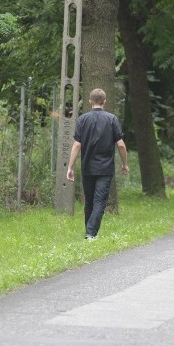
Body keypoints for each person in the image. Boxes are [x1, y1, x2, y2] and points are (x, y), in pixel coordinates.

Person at [66, 88, 129, 239]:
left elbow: (76, 145)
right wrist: (124, 164)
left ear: (89, 102)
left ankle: (89, 233)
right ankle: (90, 234)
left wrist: (70, 167)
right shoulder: (112, 119)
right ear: (104, 102)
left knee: (89, 202)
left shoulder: (82, 119)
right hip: (105, 169)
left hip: (87, 167)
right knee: (100, 202)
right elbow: (120, 145)